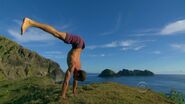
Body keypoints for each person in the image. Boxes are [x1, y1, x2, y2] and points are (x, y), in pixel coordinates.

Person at [21, 17, 86, 99]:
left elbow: (75, 81)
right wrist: (63, 95)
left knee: (58, 34)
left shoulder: (79, 68)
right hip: (78, 42)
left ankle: (30, 22)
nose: (74, 78)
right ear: (77, 74)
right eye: (75, 77)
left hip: (81, 44)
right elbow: (66, 82)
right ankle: (30, 22)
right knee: (56, 33)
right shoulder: (72, 67)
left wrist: (74, 92)